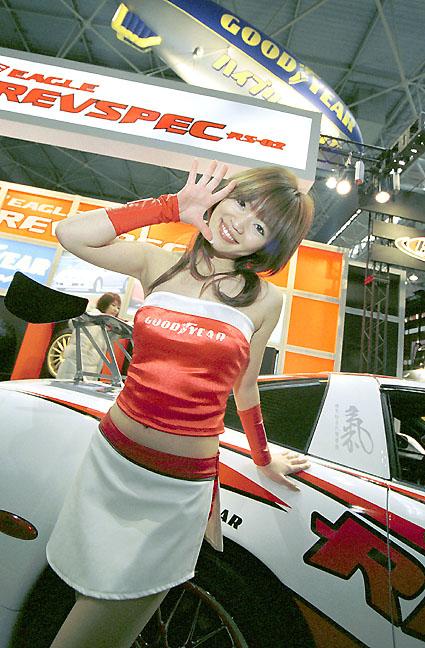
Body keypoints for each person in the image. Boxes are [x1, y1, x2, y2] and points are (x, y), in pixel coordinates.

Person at [47, 159, 314, 648]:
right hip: (111, 462)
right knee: (88, 598)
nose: (239, 223)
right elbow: (71, 233)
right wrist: (170, 207)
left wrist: (263, 457)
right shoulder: (158, 263)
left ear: (268, 247)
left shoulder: (265, 301)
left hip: (177, 489)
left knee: (107, 623)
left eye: (260, 227)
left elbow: (246, 388)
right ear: (222, 195)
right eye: (241, 202)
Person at [55, 292, 121, 380]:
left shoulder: (103, 326)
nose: (116, 310)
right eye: (113, 305)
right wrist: (80, 374)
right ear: (104, 304)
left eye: (118, 308)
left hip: (88, 371)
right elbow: (80, 349)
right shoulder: (92, 322)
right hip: (76, 370)